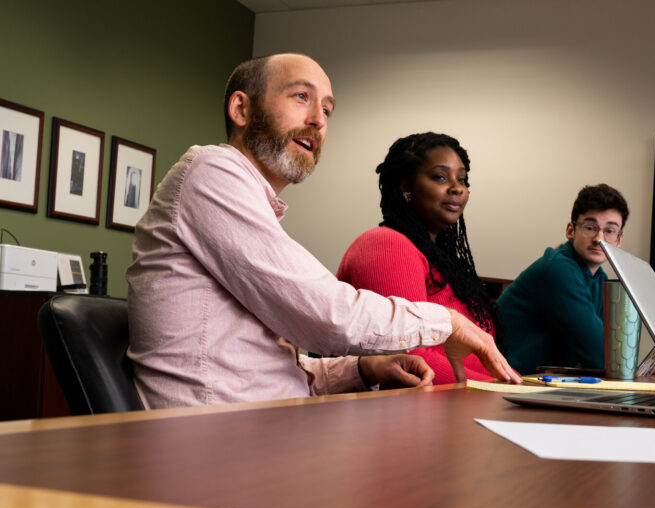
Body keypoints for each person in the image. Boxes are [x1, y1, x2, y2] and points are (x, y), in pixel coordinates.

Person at [127, 53, 518, 409]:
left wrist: (365, 370)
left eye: (327, 109)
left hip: (258, 432)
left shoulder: (252, 210)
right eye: (301, 97)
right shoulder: (211, 171)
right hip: (210, 447)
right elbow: (326, 317)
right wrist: (444, 322)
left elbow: (275, 374)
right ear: (241, 108)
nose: (318, 119)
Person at [337, 132, 502, 384]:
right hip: (408, 414)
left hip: (464, 407)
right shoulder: (386, 244)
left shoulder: (446, 263)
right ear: (406, 186)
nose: (457, 188)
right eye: (440, 177)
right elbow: (407, 355)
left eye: (462, 179)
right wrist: (499, 389)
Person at [496, 184, 629, 375]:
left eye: (610, 231)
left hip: (541, 383)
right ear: (570, 230)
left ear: (619, 240)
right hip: (503, 384)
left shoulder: (600, 279)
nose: (599, 238)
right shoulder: (557, 269)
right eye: (590, 227)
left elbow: (608, 356)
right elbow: (603, 357)